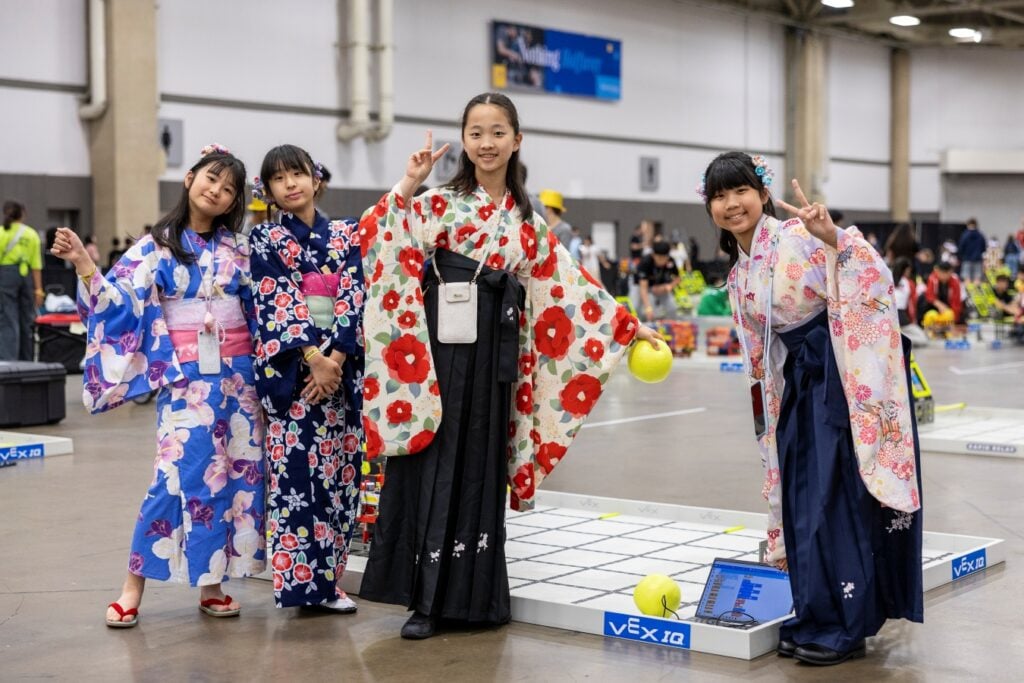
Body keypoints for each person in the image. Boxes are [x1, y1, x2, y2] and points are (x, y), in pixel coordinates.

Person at [356, 93, 662, 640]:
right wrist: (408, 183)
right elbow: (377, 232)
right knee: (436, 458)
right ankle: (423, 600)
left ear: (516, 140)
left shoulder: (528, 221)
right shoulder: (439, 202)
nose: (486, 143)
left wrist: (626, 324)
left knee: (481, 464)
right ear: (465, 141)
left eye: (498, 132)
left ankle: (474, 596)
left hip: (497, 351)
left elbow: (571, 286)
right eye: (476, 132)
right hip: (439, 353)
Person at [699, 152, 922, 666]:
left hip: (837, 378)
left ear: (761, 192)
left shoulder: (799, 236)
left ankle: (846, 621)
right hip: (795, 385)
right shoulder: (740, 271)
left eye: (741, 191)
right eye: (719, 195)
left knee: (832, 496)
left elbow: (873, 275)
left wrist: (832, 237)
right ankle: (814, 610)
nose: (732, 204)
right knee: (801, 496)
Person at [50, 144, 265, 628]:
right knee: (172, 481)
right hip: (188, 382)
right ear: (189, 178)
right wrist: (86, 265)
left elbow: (262, 309)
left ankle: (213, 584)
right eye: (212, 179)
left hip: (238, 380)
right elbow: (118, 302)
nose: (218, 191)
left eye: (229, 188)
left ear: (234, 202)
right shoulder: (155, 248)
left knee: (234, 479)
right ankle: (132, 587)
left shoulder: (240, 250)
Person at [248, 144, 365, 613]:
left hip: (339, 374)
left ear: (316, 179)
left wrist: (336, 357)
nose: (290, 184)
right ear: (269, 192)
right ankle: (302, 586)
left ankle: (330, 582)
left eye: (297, 174)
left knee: (339, 479)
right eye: (279, 179)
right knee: (296, 482)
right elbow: (273, 301)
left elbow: (355, 290)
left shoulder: (347, 233)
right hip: (295, 377)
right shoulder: (265, 241)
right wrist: (314, 357)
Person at [0, 200, 43, 361]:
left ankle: (9, 362)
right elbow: (36, 265)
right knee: (27, 320)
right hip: (26, 277)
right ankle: (27, 361)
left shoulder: (1, 233)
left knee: (8, 319)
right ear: (23, 213)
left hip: (6, 276)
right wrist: (39, 290)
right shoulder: (31, 234)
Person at [637, 241, 680, 321]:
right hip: (643, 287)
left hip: (662, 288)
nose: (662, 261)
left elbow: (678, 278)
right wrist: (648, 308)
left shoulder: (670, 261)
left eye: (665, 258)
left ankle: (669, 329)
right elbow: (643, 288)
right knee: (642, 310)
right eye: (659, 258)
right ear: (653, 255)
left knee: (672, 309)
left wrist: (670, 286)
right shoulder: (646, 262)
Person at [957, 218, 986, 283]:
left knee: (967, 277)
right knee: (977, 277)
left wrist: (960, 257)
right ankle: (975, 292)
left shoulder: (965, 235)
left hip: (966, 259)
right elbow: (984, 248)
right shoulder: (980, 235)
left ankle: (968, 292)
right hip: (978, 259)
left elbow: (961, 247)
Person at [891, 257, 918, 327]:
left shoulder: (887, 279)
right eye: (909, 270)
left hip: (887, 313)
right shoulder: (909, 283)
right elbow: (912, 303)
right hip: (900, 315)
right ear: (906, 270)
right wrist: (913, 319)